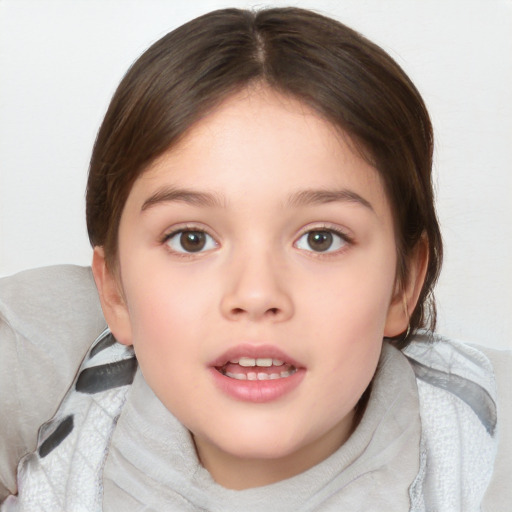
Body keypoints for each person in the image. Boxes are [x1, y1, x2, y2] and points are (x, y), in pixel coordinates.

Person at [0, 7, 509, 511]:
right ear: (113, 291)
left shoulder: (482, 453)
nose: (257, 294)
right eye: (192, 239)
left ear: (403, 282)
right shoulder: (51, 362)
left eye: (321, 239)